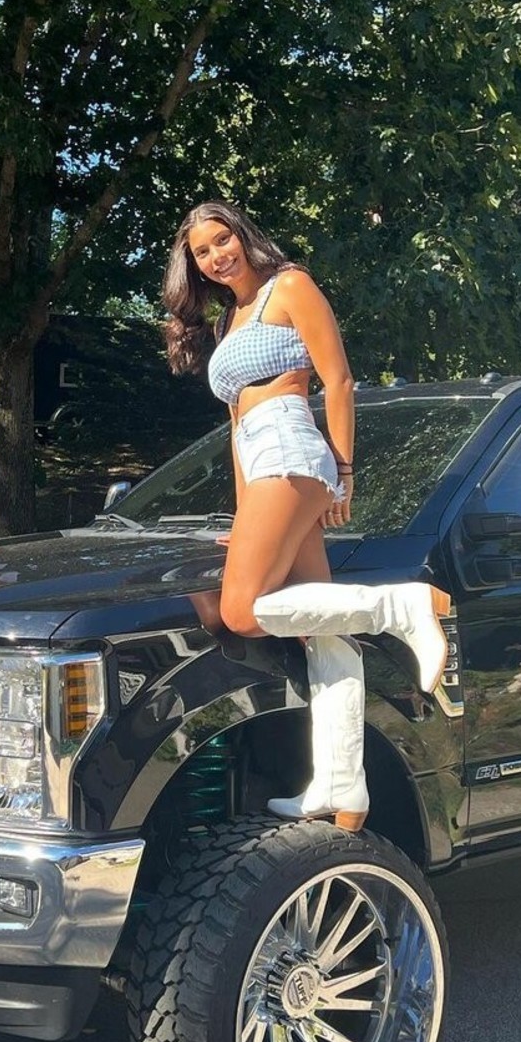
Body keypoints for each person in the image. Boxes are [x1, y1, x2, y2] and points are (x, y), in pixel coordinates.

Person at [163, 201, 449, 830]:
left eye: (222, 240)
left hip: (291, 445)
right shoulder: (231, 318)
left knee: (241, 611)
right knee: (323, 632)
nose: (216, 256)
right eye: (202, 252)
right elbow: (236, 424)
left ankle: (401, 607)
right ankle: (342, 785)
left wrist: (343, 471)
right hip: (261, 457)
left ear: (243, 235)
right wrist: (246, 516)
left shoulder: (289, 286)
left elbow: (338, 380)